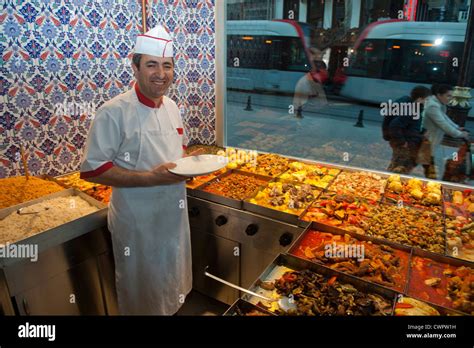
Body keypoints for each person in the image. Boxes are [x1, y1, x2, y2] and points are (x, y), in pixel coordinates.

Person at [80, 25, 201, 315]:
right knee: (143, 294)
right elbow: (92, 170)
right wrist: (151, 178)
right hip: (138, 223)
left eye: (167, 66)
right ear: (135, 67)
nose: (161, 73)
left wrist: (189, 167)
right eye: (151, 65)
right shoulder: (113, 111)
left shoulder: (172, 106)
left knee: (172, 286)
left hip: (173, 215)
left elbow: (174, 155)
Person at [423, 84, 469, 179]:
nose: (450, 99)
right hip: (427, 141)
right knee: (429, 164)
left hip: (432, 140)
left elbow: (445, 118)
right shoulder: (432, 106)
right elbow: (443, 123)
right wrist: (459, 134)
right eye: (448, 96)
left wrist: (457, 127)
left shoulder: (438, 104)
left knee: (434, 162)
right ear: (439, 95)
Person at [385, 86, 431, 174]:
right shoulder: (412, 110)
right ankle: (392, 184)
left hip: (409, 143)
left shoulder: (416, 109)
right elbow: (394, 125)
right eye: (427, 100)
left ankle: (393, 182)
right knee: (400, 168)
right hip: (406, 145)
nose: (428, 102)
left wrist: (422, 131)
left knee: (400, 166)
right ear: (420, 99)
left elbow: (412, 125)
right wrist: (402, 142)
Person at [293, 47, 328, 117]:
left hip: (316, 118)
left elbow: (323, 102)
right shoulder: (304, 83)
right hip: (309, 118)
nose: (325, 75)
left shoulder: (315, 81)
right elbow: (298, 106)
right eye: (323, 72)